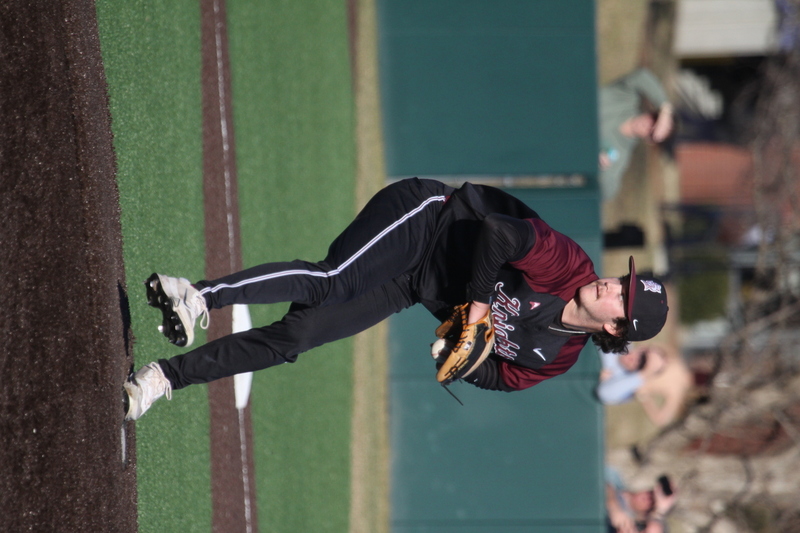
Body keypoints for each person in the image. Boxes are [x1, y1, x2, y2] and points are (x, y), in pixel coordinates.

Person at [123, 178, 669, 420]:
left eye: (621, 298)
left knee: (298, 337)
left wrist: (459, 359)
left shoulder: (557, 356)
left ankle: (162, 378)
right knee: (332, 280)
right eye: (622, 281)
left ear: (615, 329)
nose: (611, 286)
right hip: (427, 219)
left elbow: (499, 377)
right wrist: (479, 308)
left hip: (411, 286)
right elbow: (499, 234)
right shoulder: (568, 265)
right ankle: (197, 295)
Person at [599, 67, 675, 201]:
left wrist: (602, 169)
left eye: (652, 131)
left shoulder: (620, 153)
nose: (648, 126)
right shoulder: (627, 97)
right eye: (654, 120)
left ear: (650, 140)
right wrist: (665, 108)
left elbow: (607, 192)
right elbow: (642, 76)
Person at [596, 344, 692, 427]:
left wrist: (644, 395)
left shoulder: (627, 381)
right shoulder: (623, 342)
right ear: (643, 348)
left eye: (641, 364)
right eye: (643, 356)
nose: (636, 360)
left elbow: (605, 393)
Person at [605, 466, 677, 533]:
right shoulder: (614, 477)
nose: (647, 497)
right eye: (651, 493)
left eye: (652, 502)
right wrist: (614, 508)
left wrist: (659, 512)